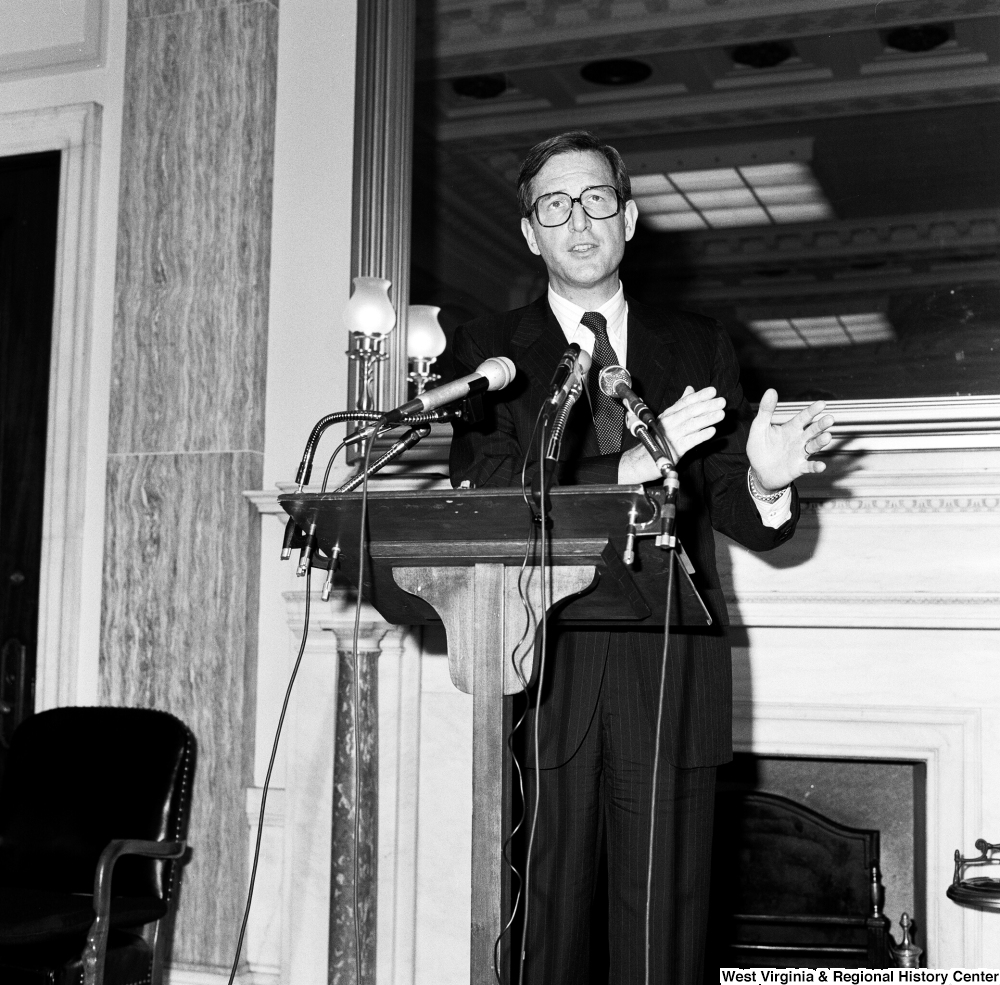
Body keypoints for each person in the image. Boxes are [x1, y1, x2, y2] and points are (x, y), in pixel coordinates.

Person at [448, 130, 834, 984]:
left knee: (663, 944)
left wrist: (768, 483)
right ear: (528, 232)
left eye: (594, 201)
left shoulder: (696, 342)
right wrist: (619, 470)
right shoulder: (486, 351)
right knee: (540, 944)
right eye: (554, 204)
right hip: (541, 666)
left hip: (672, 668)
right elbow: (488, 484)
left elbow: (736, 501)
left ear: (627, 218)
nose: (576, 220)